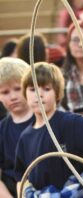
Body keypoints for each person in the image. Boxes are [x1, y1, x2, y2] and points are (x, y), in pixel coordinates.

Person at [14, 62, 83, 196]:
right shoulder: (25, 137)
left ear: (58, 94)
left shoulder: (69, 122)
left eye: (46, 89)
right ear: (25, 92)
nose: (39, 94)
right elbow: (20, 178)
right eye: (32, 89)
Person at [0, 57, 33, 197]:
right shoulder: (2, 130)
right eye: (5, 92)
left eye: (17, 89)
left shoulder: (49, 120)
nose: (13, 97)